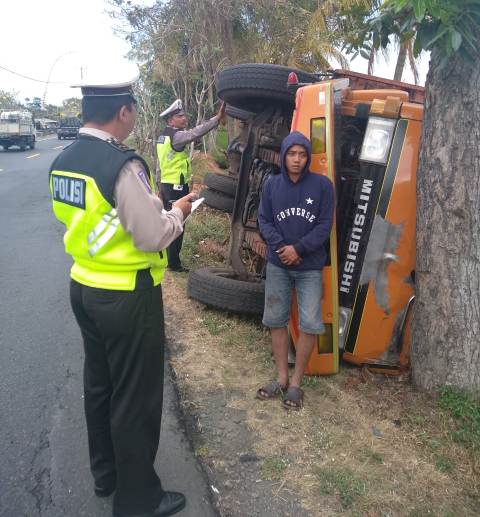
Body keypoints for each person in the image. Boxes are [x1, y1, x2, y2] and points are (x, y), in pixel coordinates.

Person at [49, 63, 193, 517]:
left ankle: (105, 474)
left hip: (85, 287)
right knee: (136, 397)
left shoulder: (63, 161)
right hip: (128, 296)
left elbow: (91, 219)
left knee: (101, 387)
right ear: (125, 113)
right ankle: (137, 500)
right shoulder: (122, 165)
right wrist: (180, 214)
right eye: (134, 109)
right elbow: (151, 236)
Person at [256, 131, 334, 410]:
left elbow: (325, 225)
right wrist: (281, 248)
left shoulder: (323, 186)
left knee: (310, 323)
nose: (297, 159)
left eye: (302, 154)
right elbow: (263, 220)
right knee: (276, 319)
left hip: (309, 267)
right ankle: (281, 378)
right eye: (292, 154)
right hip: (278, 264)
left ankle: (297, 384)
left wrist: (298, 249)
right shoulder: (272, 185)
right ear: (284, 155)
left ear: (308, 157)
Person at [157, 99, 225, 272]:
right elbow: (195, 133)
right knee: (178, 221)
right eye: (180, 116)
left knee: (167, 220)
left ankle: (166, 258)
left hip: (166, 185)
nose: (184, 118)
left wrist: (159, 187)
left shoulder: (162, 137)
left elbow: (159, 164)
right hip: (176, 187)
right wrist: (216, 119)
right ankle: (173, 263)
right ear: (170, 120)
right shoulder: (177, 136)